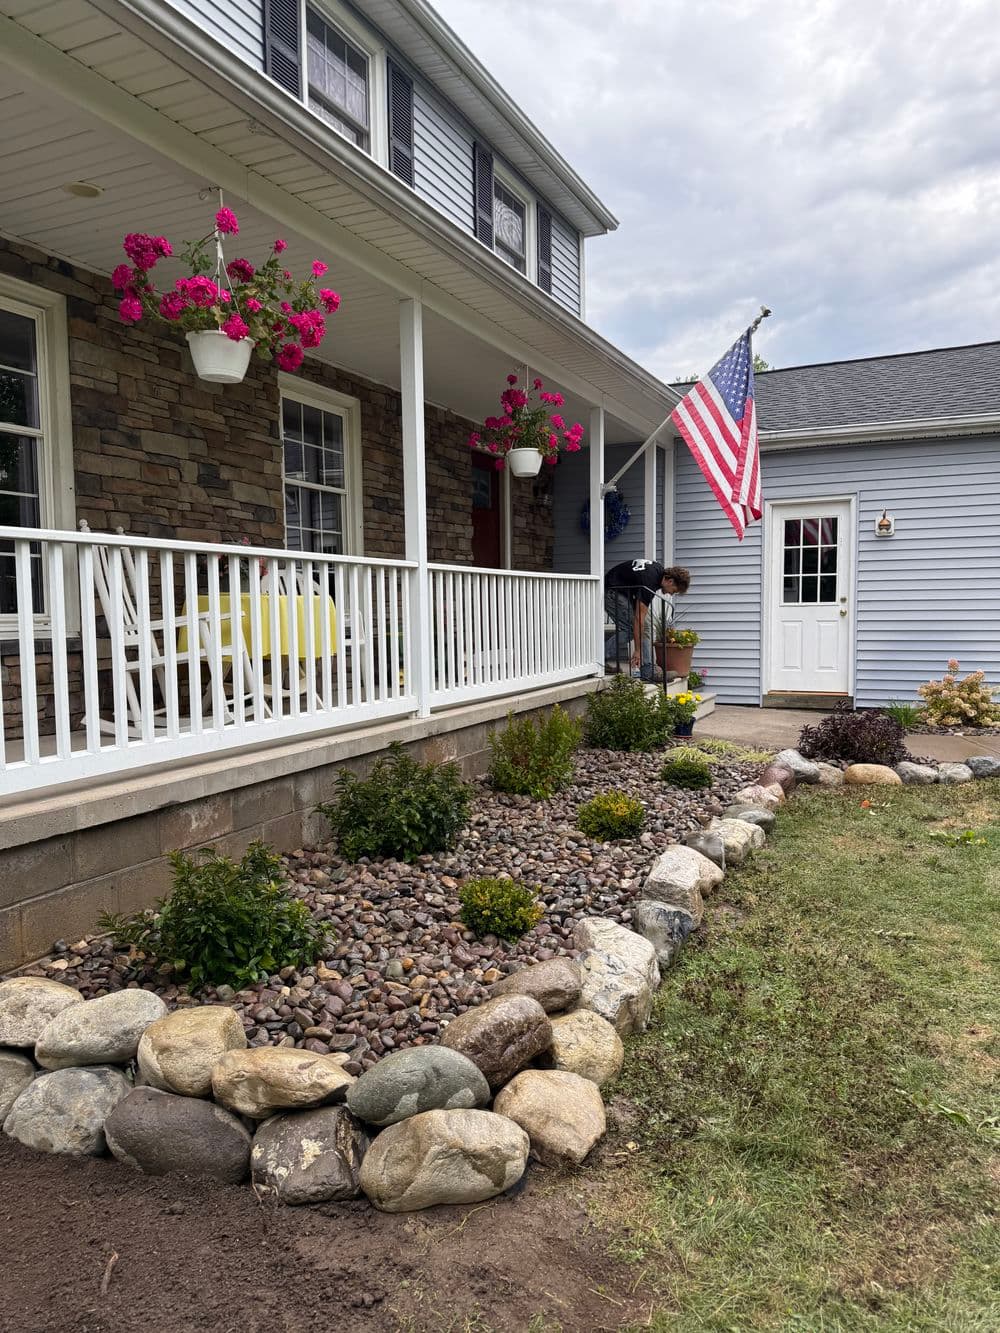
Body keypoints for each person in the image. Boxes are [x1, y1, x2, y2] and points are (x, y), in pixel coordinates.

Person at [604, 560, 690, 681]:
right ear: (670, 581)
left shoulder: (657, 571)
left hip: (622, 592)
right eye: (674, 591)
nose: (671, 595)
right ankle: (648, 671)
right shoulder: (649, 582)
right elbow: (639, 619)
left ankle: (648, 667)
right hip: (613, 592)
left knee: (646, 626)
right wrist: (638, 651)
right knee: (631, 629)